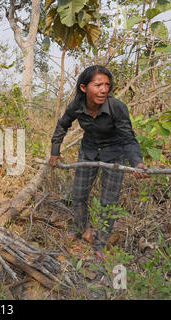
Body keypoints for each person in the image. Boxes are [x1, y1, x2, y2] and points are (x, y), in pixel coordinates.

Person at [49, 65, 149, 257]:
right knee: (78, 195)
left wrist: (137, 162)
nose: (104, 89)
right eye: (98, 85)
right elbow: (62, 126)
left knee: (108, 201)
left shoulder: (117, 107)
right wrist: (55, 152)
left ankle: (101, 242)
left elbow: (128, 138)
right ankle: (79, 229)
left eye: (107, 85)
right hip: (89, 151)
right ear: (84, 88)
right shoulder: (77, 105)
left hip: (114, 154)